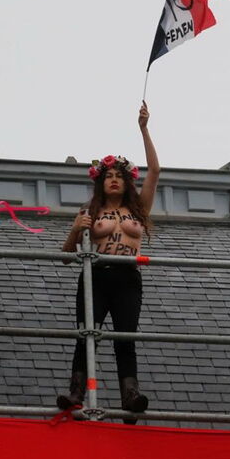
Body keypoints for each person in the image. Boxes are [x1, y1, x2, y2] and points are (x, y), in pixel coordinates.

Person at [57, 102, 160, 422]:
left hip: (128, 276)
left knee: (124, 336)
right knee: (87, 332)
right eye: (108, 176)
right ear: (100, 182)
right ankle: (77, 392)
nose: (113, 180)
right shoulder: (91, 211)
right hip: (96, 275)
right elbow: (65, 257)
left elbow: (155, 171)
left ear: (127, 181)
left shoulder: (138, 209)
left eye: (119, 176)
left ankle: (129, 394)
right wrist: (76, 230)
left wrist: (144, 128)